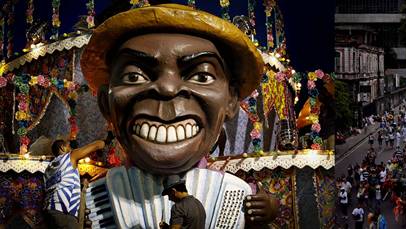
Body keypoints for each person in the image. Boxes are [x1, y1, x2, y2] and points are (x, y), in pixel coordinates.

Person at [80, 3, 277, 227]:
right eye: (134, 76)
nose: (167, 88)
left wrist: (267, 209)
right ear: (106, 103)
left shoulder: (233, 191)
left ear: (231, 101)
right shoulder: (101, 194)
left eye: (201, 77)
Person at [43, 139, 105, 229]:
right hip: (64, 213)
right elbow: (98, 145)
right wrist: (105, 141)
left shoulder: (49, 168)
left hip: (49, 211)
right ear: (62, 148)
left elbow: (59, 185)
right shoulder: (69, 156)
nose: (71, 149)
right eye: (69, 146)